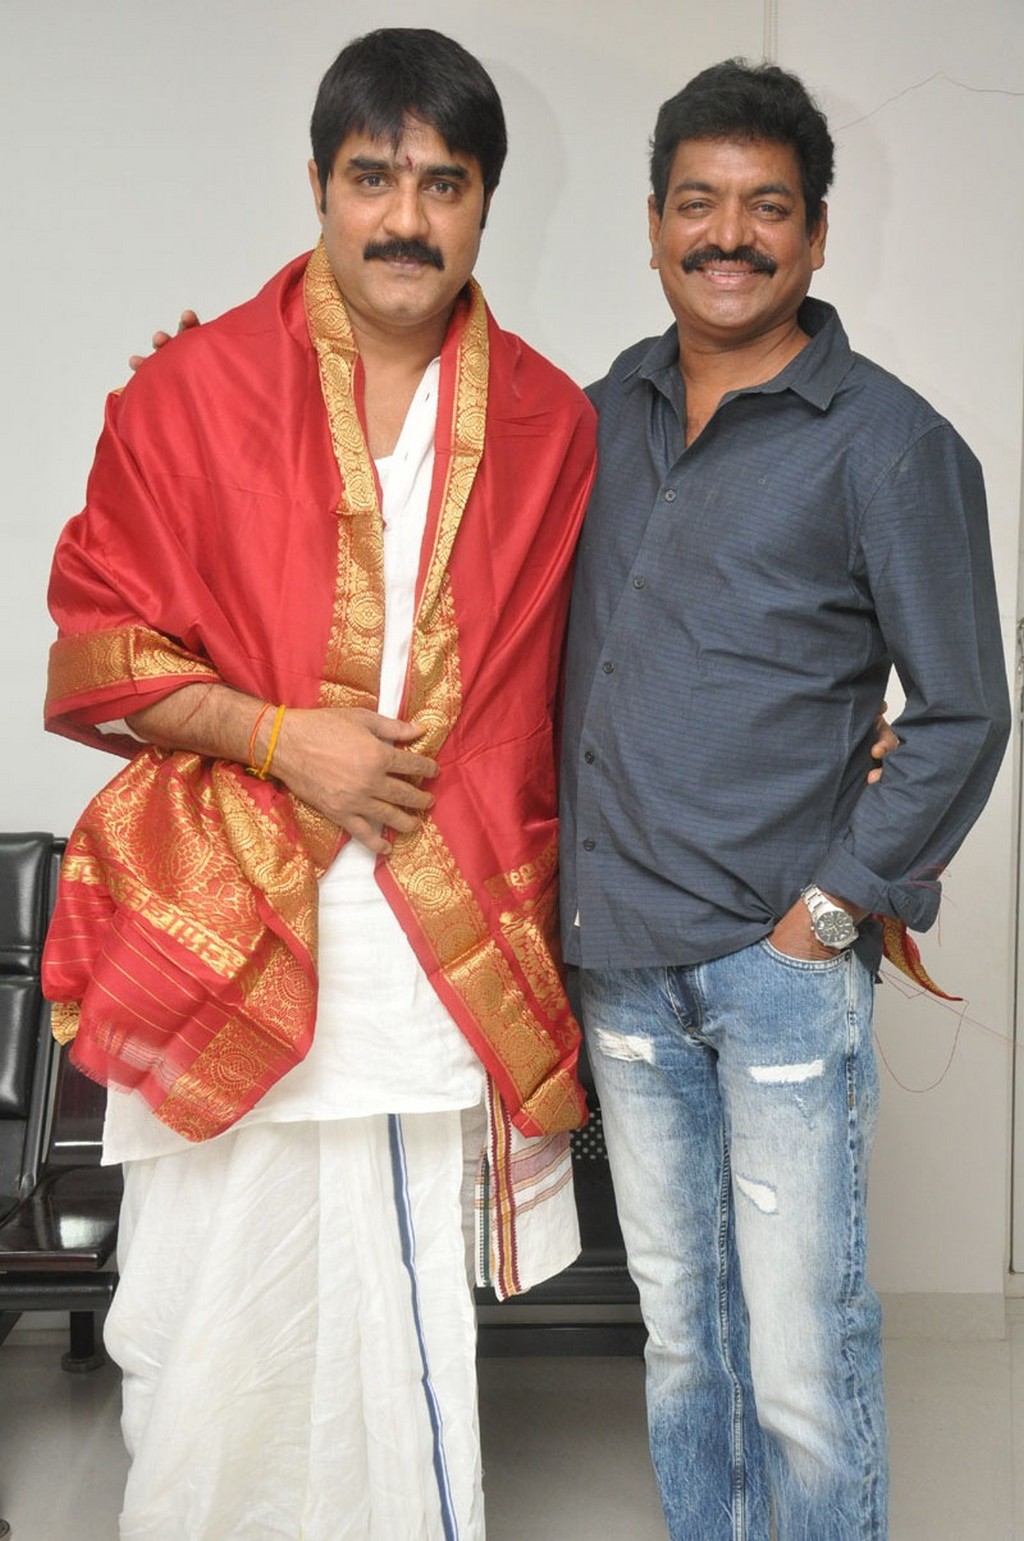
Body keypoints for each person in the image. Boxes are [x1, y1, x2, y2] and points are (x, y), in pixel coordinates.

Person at [43, 29, 596, 1540]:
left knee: (390, 1316)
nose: (405, 217)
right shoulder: (192, 391)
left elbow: (605, 668)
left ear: (486, 203)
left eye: (443, 183)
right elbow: (100, 652)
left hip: (430, 937)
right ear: (317, 185)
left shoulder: (553, 424)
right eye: (372, 178)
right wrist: (288, 741)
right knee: (203, 1304)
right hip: (225, 919)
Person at [560, 58, 1010, 1541]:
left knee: (804, 1350)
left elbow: (965, 709)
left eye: (767, 208)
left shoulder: (891, 442)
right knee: (683, 1336)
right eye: (698, 203)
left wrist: (832, 907)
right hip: (621, 956)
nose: (729, 236)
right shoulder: (594, 418)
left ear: (816, 234)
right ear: (653, 226)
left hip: (778, 965)